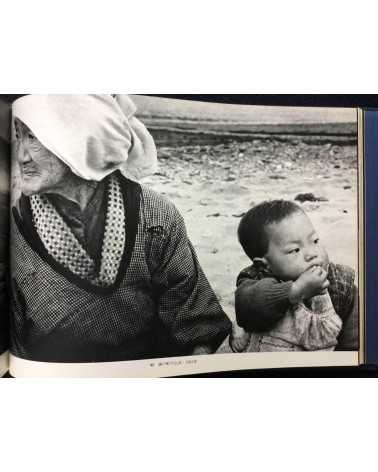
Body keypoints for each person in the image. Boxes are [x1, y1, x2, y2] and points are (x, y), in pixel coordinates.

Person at [10, 94, 231, 363]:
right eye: (18, 135)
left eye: (33, 137)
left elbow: (195, 325)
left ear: (77, 137)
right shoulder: (12, 229)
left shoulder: (155, 214)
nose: (21, 155)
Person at [230, 200, 358, 352]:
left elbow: (353, 341)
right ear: (264, 265)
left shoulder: (340, 282)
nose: (312, 254)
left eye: (315, 241)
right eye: (295, 250)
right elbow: (246, 310)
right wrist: (295, 290)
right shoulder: (257, 279)